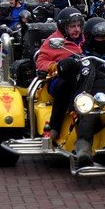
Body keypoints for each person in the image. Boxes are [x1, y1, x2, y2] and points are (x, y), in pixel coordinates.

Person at [54, 17, 105, 166]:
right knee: (90, 110)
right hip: (93, 103)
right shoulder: (83, 59)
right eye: (100, 37)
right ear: (90, 37)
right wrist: (67, 63)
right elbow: (63, 69)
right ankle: (83, 149)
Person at [36, 7, 86, 144]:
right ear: (63, 27)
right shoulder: (53, 41)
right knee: (66, 84)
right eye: (72, 26)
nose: (76, 29)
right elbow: (40, 62)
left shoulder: (86, 38)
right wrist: (55, 66)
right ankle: (54, 128)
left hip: (85, 75)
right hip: (59, 79)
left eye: (79, 26)